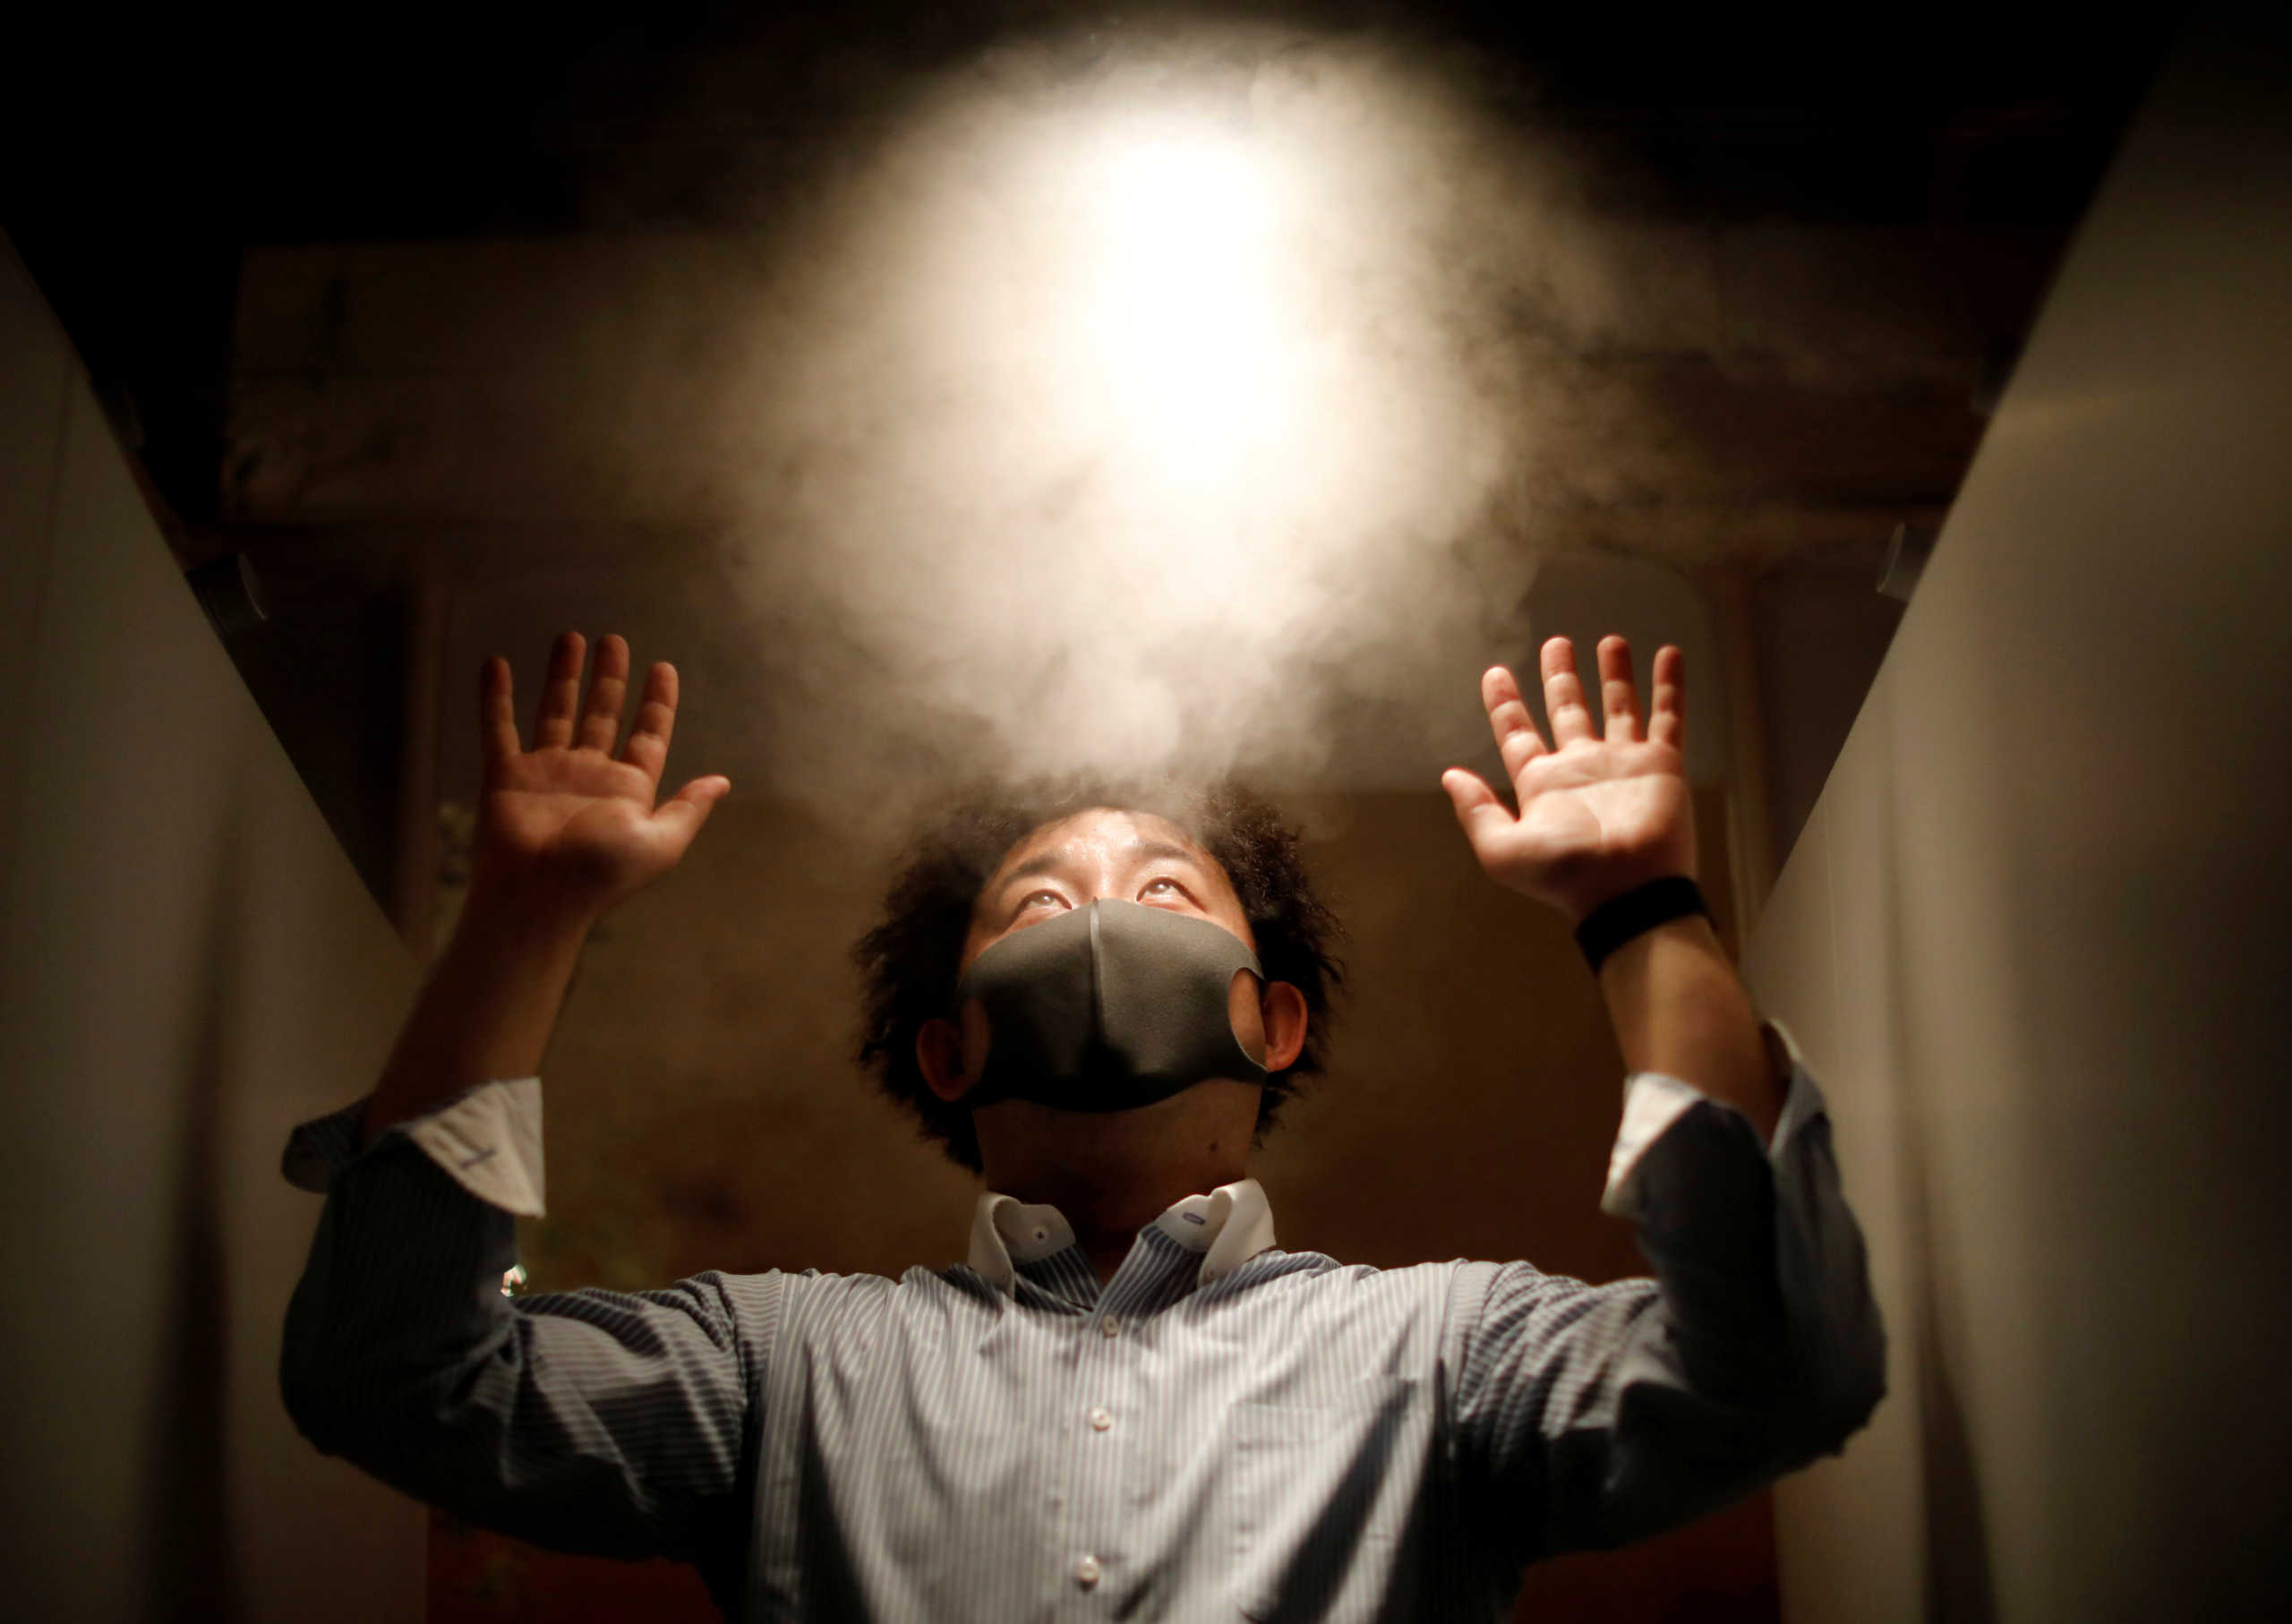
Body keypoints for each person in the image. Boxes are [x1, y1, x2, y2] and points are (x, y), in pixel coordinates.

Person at [280, 628, 1884, 1622]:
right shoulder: (778, 1369)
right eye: (1038, 903)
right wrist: (524, 921)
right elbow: (394, 1377)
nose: (1105, 922)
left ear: (1275, 1019)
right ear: (953, 1048)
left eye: (1171, 892)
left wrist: (1644, 909)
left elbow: (1778, 1373)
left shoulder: (1446, 1349)